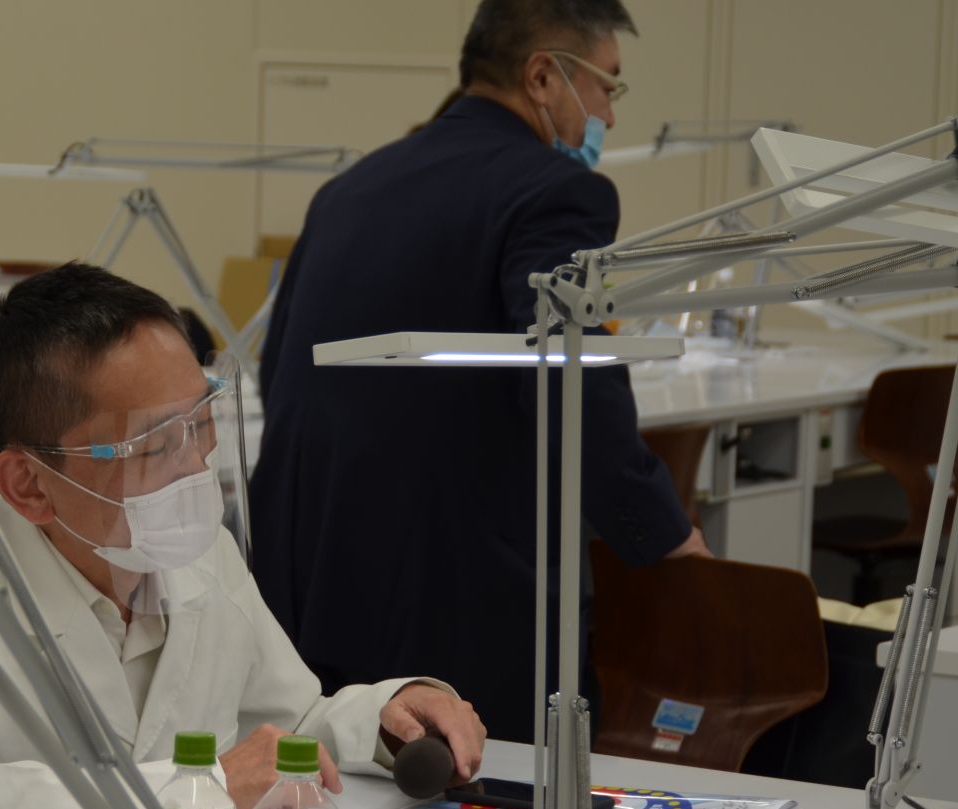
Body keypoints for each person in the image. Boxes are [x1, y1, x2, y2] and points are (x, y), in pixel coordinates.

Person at [0, 264, 487, 809]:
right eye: (154, 445)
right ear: (29, 484)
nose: (194, 467)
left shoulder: (192, 552)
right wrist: (196, 790)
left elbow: (285, 727)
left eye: (200, 421)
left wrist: (387, 718)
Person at [249, 0, 709, 744]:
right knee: (483, 794)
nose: (609, 115)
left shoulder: (350, 188)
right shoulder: (554, 191)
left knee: (342, 789)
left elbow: (280, 371)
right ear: (543, 77)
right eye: (606, 85)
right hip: (451, 591)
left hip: (312, 576)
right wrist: (665, 536)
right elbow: (571, 377)